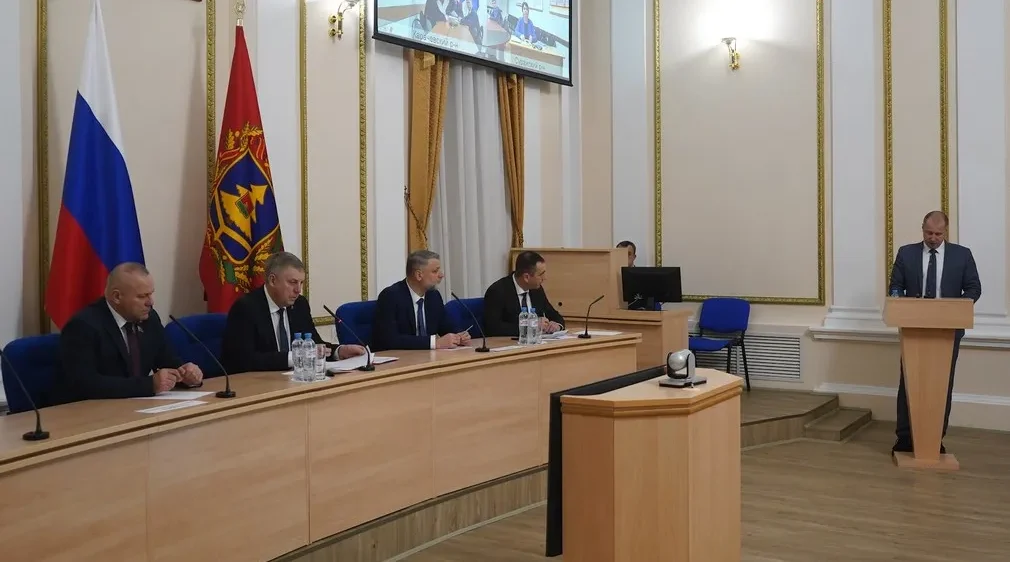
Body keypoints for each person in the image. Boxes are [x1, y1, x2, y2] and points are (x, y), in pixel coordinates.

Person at [888, 210, 981, 455]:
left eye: (938, 234)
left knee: (942, 385)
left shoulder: (962, 255)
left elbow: (974, 288)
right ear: (922, 229)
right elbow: (895, 286)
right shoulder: (906, 253)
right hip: (914, 331)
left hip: (947, 331)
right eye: (929, 233)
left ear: (945, 232)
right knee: (908, 384)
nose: (933, 238)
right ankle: (905, 438)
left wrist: (956, 309)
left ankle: (934, 439)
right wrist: (899, 302)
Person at [55, 262, 203, 401]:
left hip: (136, 407)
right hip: (94, 411)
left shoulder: (149, 318)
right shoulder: (83, 326)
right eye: (142, 296)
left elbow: (167, 361)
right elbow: (84, 384)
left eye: (151, 294)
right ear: (117, 297)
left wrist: (186, 374)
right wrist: (149, 385)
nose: (150, 302)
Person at [220, 252, 365, 374]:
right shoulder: (246, 308)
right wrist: (295, 357)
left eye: (301, 283)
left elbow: (313, 344)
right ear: (272, 280)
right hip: (259, 384)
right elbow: (243, 360)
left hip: (294, 381)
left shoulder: (300, 304)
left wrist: (339, 351)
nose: (298, 290)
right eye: (293, 282)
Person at [371, 250, 471, 351]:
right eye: (435, 271)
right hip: (401, 358)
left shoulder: (433, 296)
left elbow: (445, 326)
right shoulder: (390, 296)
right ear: (419, 275)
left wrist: (459, 335)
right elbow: (389, 339)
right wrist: (434, 343)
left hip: (428, 357)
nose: (441, 275)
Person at [483, 251, 565, 337]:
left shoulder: (536, 289)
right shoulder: (497, 291)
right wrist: (530, 327)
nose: (544, 278)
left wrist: (557, 325)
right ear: (526, 277)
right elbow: (493, 328)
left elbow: (555, 315)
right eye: (541, 274)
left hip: (536, 341)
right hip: (509, 343)